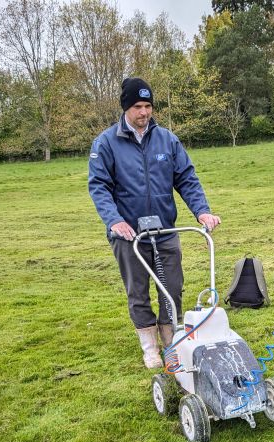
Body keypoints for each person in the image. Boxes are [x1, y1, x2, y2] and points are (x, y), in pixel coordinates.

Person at [88, 77, 221, 369]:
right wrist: (115, 221)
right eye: (138, 106)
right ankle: (150, 348)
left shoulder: (167, 140)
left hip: (165, 230)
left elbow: (186, 178)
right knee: (138, 292)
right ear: (126, 108)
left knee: (172, 289)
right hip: (129, 235)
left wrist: (202, 211)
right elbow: (99, 186)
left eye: (148, 106)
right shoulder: (107, 143)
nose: (144, 112)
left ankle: (171, 344)